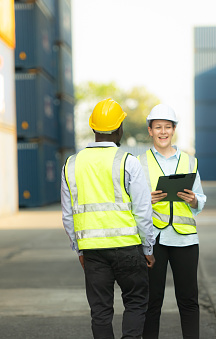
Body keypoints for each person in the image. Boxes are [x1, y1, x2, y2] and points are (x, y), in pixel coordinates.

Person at [61, 98, 156, 339]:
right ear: (120, 127)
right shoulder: (128, 162)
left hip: (92, 251)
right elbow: (143, 210)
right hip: (127, 248)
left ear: (93, 128)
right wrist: (148, 247)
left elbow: (68, 215)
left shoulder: (71, 165)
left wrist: (79, 250)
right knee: (135, 302)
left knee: (100, 310)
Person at [138, 104, 207, 339]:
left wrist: (194, 199)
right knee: (152, 301)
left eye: (168, 127)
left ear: (174, 129)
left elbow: (201, 197)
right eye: (158, 127)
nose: (163, 132)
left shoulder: (190, 161)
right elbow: (131, 202)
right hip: (153, 240)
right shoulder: (138, 162)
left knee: (188, 300)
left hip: (185, 240)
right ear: (150, 130)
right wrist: (146, 200)